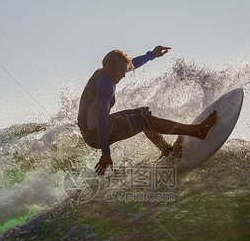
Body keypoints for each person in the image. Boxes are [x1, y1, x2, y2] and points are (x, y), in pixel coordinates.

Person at [77, 45, 217, 175]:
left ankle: (168, 152)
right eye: (121, 71)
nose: (124, 74)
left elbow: (132, 64)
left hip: (94, 131)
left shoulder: (107, 73)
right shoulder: (104, 86)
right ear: (112, 68)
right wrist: (106, 154)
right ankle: (197, 131)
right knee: (144, 120)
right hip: (95, 135)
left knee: (142, 114)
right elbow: (102, 120)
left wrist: (152, 55)